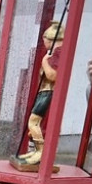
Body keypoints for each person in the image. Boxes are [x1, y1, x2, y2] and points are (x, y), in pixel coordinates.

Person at [18, 21, 66, 166]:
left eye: (44, 39)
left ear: (50, 39)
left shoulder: (57, 54)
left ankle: (41, 152)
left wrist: (45, 61)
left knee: (33, 122)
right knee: (36, 123)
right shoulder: (53, 53)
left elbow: (53, 76)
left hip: (48, 92)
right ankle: (37, 150)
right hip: (44, 91)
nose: (43, 42)